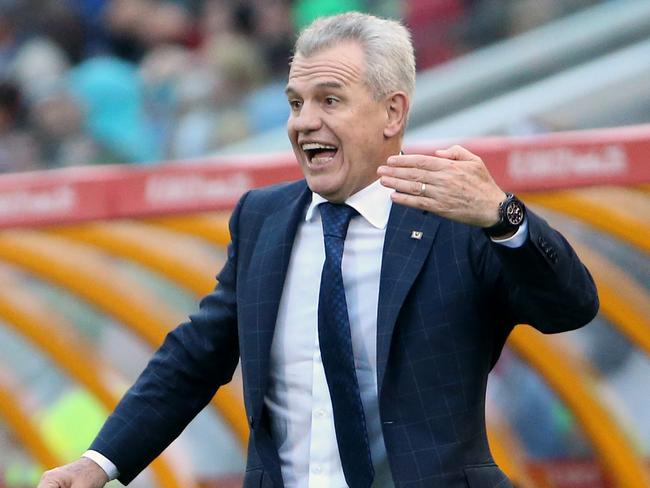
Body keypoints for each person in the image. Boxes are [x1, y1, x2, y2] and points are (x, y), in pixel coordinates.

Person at [37, 12, 598, 488]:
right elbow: (195, 356)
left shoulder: (456, 220)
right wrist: (98, 463)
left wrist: (505, 217)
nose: (305, 123)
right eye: (295, 102)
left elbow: (570, 307)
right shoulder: (262, 218)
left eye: (330, 100)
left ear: (393, 112)